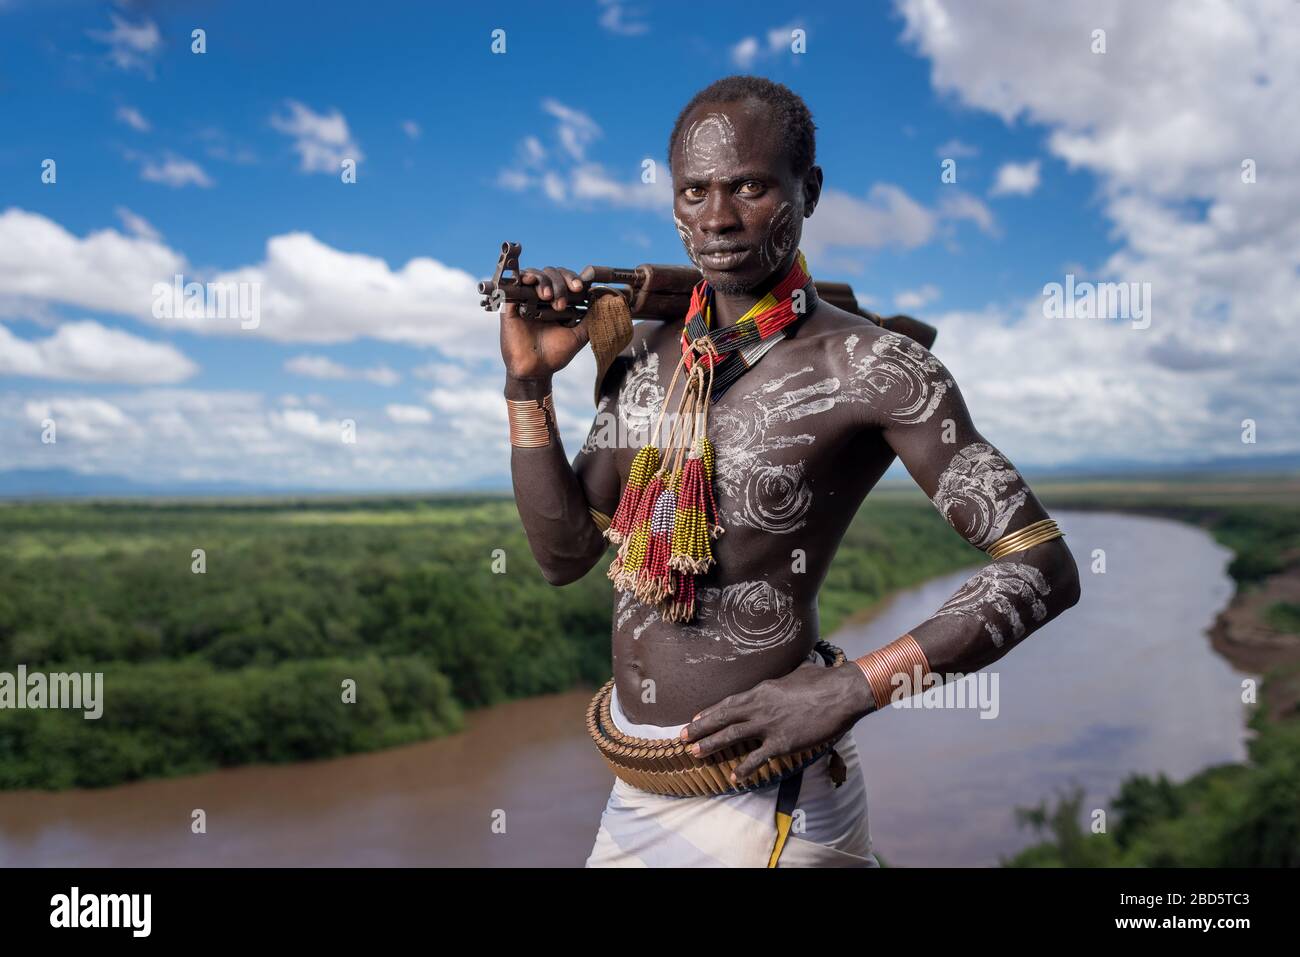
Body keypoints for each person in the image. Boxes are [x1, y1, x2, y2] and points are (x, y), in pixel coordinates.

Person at [498, 75, 1080, 867]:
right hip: (638, 790)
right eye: (694, 191)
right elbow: (565, 558)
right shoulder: (646, 355)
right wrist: (529, 385)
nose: (717, 218)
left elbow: (1044, 566)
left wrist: (856, 686)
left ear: (809, 189)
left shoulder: (875, 367)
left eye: (749, 186)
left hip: (769, 801)